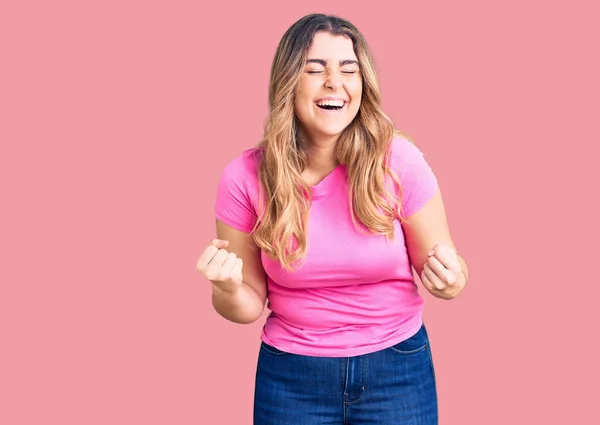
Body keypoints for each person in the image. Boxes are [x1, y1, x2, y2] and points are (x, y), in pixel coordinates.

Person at [196, 13, 469, 425]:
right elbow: (245, 305)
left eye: (348, 69)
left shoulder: (399, 161)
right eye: (315, 69)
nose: (334, 83)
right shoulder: (244, 177)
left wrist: (451, 280)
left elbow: (452, 270)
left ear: (363, 83)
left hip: (397, 368)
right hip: (291, 377)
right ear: (289, 82)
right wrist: (226, 287)